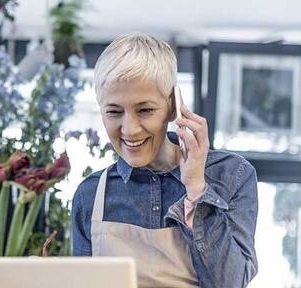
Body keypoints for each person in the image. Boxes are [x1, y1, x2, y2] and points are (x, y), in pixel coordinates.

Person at [71, 33, 259, 288]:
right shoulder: (90, 196)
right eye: (114, 112)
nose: (130, 129)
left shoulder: (232, 175)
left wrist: (196, 190)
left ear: (174, 105)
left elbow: (231, 284)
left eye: (145, 110)